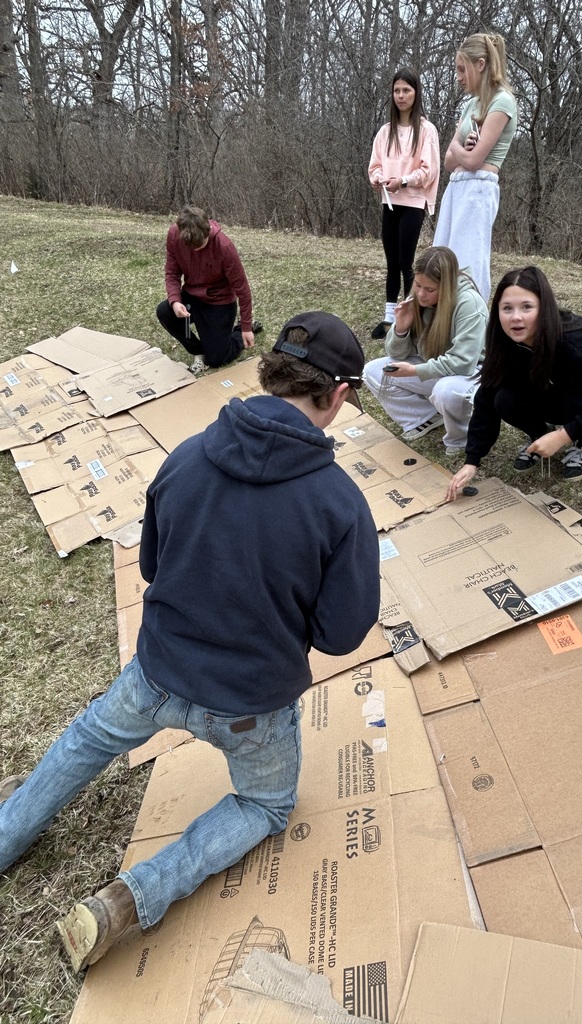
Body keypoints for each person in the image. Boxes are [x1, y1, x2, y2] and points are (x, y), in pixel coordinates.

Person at [0, 312, 380, 972]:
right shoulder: (341, 503)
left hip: (157, 672)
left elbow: (152, 565)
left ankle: (6, 835)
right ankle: (129, 899)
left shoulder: (185, 457)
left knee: (89, 737)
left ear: (270, 373)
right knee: (264, 805)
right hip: (251, 703)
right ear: (340, 394)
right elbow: (342, 635)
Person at [446, 266, 582, 497]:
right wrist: (472, 460)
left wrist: (564, 435)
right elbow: (486, 398)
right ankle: (540, 435)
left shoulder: (573, 339)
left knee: (578, 403)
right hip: (551, 388)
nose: (516, 317)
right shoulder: (505, 341)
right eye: (507, 308)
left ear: (543, 308)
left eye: (526, 307)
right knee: (504, 399)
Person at [364, 245, 487, 451]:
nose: (421, 294)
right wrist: (401, 328)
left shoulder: (470, 304)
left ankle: (460, 439)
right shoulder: (418, 299)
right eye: (418, 285)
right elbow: (396, 354)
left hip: (474, 374)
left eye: (430, 290)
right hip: (435, 367)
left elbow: (463, 363)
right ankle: (424, 418)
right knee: (373, 371)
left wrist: (415, 371)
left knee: (445, 391)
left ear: (446, 286)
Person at [433, 33, 517, 302]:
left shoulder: (502, 101)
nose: (458, 77)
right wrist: (461, 149)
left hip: (479, 190)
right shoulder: (471, 105)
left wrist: (458, 148)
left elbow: (472, 161)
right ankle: (443, 319)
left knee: (468, 263)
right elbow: (448, 161)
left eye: (462, 69)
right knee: (441, 260)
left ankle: (473, 319)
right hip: (456, 189)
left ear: (480, 65)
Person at [368, 68, 440, 340]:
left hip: (413, 202)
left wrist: (404, 181)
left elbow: (429, 170)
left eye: (406, 90)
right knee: (391, 261)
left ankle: (414, 317)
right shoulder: (385, 131)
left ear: (416, 93)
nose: (401, 96)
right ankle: (389, 318)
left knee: (406, 262)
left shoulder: (427, 130)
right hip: (390, 202)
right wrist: (378, 178)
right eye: (397, 90)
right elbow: (375, 165)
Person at [156, 205, 262, 374]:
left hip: (219, 301)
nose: (196, 250)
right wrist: (175, 301)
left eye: (200, 245)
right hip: (192, 296)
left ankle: (238, 331)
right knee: (164, 312)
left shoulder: (224, 247)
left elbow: (242, 290)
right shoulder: (174, 235)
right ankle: (199, 350)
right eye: (191, 247)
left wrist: (246, 327)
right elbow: (172, 272)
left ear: (207, 232)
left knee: (217, 359)